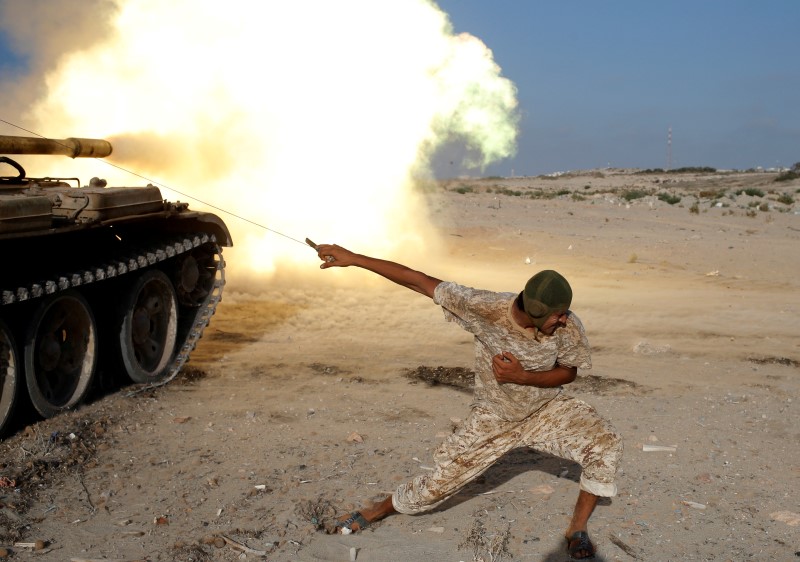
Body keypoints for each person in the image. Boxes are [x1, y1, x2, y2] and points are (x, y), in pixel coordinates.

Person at [313, 243, 622, 560]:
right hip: (495, 419)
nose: (563, 320)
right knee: (434, 489)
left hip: (547, 411)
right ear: (535, 312)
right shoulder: (485, 308)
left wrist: (523, 377)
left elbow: (568, 372)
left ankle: (577, 529)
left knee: (605, 443)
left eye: (564, 313)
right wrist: (355, 259)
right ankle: (376, 510)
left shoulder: (568, 326)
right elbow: (417, 280)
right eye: (557, 315)